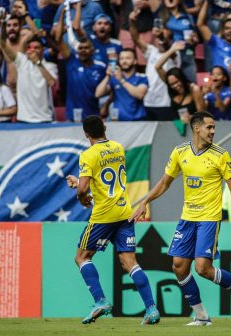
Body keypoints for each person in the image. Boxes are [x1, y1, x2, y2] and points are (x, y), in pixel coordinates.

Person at [130, 112, 231, 326]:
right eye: (209, 127)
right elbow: (165, 182)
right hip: (187, 217)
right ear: (196, 128)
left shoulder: (220, 154)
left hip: (209, 218)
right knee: (179, 266)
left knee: (202, 268)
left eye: (213, 127)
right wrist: (144, 201)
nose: (213, 131)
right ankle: (201, 316)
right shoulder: (179, 152)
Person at [65, 115, 160, 325]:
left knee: (81, 257)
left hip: (104, 215)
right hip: (124, 212)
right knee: (130, 263)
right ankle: (151, 309)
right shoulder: (118, 148)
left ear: (86, 134)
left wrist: (82, 196)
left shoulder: (88, 155)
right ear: (105, 127)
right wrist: (80, 185)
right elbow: (104, 179)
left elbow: (84, 187)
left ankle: (100, 301)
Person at [0, 20, 57, 123]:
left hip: (44, 119)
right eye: (29, 48)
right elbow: (3, 42)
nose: (32, 50)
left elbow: (52, 83)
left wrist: (38, 63)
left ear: (43, 50)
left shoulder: (50, 66)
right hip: (23, 119)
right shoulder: (21, 60)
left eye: (36, 48)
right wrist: (3, 23)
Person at [56, 7, 107, 122]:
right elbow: (58, 40)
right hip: (73, 117)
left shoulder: (100, 67)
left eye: (86, 48)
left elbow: (110, 89)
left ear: (92, 50)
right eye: (80, 48)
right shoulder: (71, 61)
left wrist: (106, 105)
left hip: (94, 117)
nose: (83, 50)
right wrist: (62, 15)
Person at [130, 8, 181, 121]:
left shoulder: (175, 53)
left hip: (166, 103)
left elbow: (167, 47)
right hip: (149, 101)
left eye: (163, 36)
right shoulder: (151, 51)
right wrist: (132, 21)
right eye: (157, 37)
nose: (159, 39)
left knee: (167, 134)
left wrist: (161, 37)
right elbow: (136, 38)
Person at [95, 48, 148, 121]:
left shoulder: (142, 77)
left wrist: (121, 80)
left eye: (128, 58)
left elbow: (140, 95)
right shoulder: (114, 78)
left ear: (135, 61)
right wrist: (107, 76)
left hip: (138, 121)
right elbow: (98, 94)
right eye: (121, 58)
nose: (124, 61)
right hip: (118, 121)